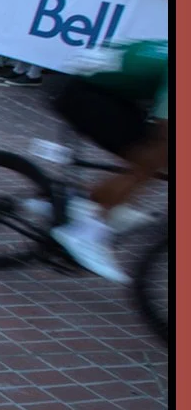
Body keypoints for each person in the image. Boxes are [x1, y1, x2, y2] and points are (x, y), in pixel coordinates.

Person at [45, 39, 169, 282]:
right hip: (79, 91)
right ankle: (87, 233)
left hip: (97, 87)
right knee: (152, 157)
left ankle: (73, 202)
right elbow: (165, 129)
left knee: (154, 154)